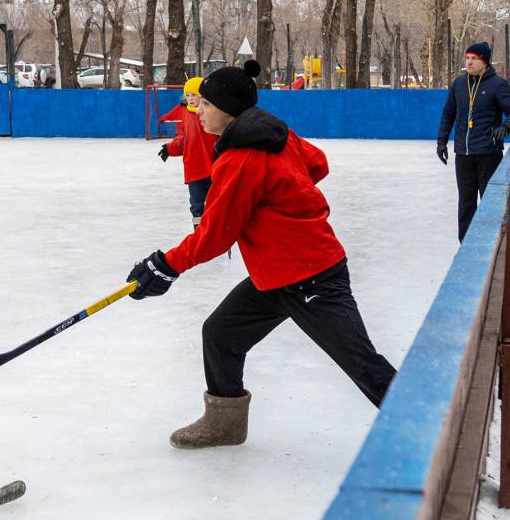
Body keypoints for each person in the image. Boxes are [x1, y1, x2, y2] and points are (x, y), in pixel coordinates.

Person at [127, 60, 396, 450]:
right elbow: (316, 162)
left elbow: (215, 235)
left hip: (312, 275)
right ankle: (225, 423)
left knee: (360, 361)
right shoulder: (275, 134)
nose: (197, 111)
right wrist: (279, 200)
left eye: (204, 104)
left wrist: (164, 266)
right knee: (220, 334)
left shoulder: (241, 159)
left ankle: (432, 430)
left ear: (227, 109)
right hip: (276, 274)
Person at [437, 42, 510, 241]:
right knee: (466, 203)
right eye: (467, 58)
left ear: (484, 61)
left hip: (488, 154)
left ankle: (491, 243)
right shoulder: (459, 84)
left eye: (473, 58)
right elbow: (448, 114)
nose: (468, 62)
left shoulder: (498, 85)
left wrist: (505, 127)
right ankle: (466, 246)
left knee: (490, 203)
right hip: (463, 155)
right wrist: (441, 141)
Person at [158, 76, 218, 230]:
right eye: (188, 95)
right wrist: (170, 148)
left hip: (213, 167)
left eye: (194, 95)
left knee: (215, 203)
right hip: (194, 167)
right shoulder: (185, 113)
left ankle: (217, 231)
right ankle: (199, 235)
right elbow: (184, 138)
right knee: (197, 205)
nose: (190, 99)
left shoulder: (212, 112)